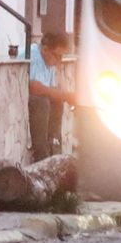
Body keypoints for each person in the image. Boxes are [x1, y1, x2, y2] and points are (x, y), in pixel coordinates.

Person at [28, 33, 76, 161]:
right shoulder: (35, 56)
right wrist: (65, 95)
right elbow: (35, 87)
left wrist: (63, 95)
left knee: (56, 100)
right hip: (34, 103)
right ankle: (41, 155)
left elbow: (48, 89)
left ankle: (54, 148)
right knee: (42, 102)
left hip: (40, 100)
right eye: (58, 56)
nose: (59, 61)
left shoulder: (48, 61)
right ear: (45, 50)